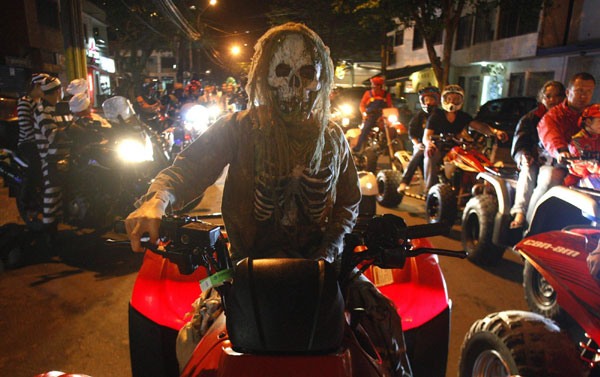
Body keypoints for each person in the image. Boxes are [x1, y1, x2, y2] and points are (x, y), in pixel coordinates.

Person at [124, 22, 411, 377]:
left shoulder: (333, 137)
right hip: (244, 274)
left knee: (386, 320)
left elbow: (349, 200)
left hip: (326, 273)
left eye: (306, 73)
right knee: (192, 337)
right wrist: (157, 199)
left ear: (321, 80)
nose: (294, 86)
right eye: (282, 72)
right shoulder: (239, 127)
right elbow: (188, 169)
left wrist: (332, 247)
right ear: (264, 76)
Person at [528, 72, 596, 220]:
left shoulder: (593, 114)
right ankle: (530, 225)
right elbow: (551, 135)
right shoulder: (553, 115)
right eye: (579, 91)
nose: (584, 95)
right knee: (550, 178)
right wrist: (562, 152)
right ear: (568, 92)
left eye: (589, 91)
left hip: (586, 166)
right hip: (556, 163)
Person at [422, 84, 508, 193]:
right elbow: (426, 136)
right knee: (431, 155)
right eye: (449, 98)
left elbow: (479, 126)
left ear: (461, 100)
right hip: (439, 146)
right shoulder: (436, 115)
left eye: (456, 99)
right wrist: (429, 144)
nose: (452, 102)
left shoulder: (463, 116)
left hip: (458, 148)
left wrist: (496, 132)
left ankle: (475, 186)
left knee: (477, 158)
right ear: (444, 99)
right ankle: (429, 189)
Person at [509, 81, 566, 228]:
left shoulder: (567, 118)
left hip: (557, 162)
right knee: (529, 171)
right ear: (541, 98)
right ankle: (523, 216)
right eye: (548, 96)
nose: (553, 100)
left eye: (557, 96)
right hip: (536, 160)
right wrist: (524, 155)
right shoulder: (530, 119)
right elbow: (520, 143)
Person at [33, 76, 73, 239]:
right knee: (53, 190)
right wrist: (72, 129)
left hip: (68, 155)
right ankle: (48, 230)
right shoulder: (42, 111)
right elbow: (52, 135)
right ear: (57, 91)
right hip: (51, 158)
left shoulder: (60, 108)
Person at [397, 86, 440, 196]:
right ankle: (404, 182)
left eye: (431, 99)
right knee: (419, 153)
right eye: (426, 100)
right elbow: (412, 132)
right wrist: (418, 144)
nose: (429, 102)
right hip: (423, 144)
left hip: (440, 145)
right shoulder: (419, 115)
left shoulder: (441, 114)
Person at [16, 73, 48, 193]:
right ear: (36, 86)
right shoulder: (25, 102)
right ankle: (27, 199)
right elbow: (26, 127)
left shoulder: (42, 102)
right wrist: (40, 142)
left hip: (42, 141)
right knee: (36, 167)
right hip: (28, 143)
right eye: (43, 86)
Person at [352, 76, 392, 152]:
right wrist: (364, 114)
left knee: (392, 128)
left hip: (383, 116)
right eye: (373, 84)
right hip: (371, 116)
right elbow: (362, 105)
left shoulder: (386, 94)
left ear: (380, 86)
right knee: (365, 129)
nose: (373, 86)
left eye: (376, 85)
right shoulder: (368, 93)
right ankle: (358, 147)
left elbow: (390, 106)